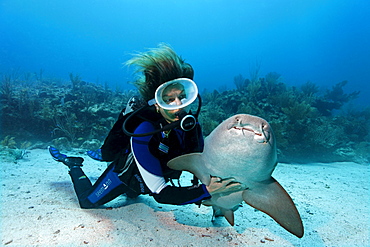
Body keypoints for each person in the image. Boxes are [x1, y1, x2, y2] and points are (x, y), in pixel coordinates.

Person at [49, 44, 240, 209]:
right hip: (127, 176)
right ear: (156, 103)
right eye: (168, 99)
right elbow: (161, 193)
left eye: (182, 97)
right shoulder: (144, 131)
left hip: (154, 178)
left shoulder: (191, 126)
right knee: (88, 202)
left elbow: (200, 163)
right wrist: (206, 191)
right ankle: (74, 165)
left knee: (134, 196)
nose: (178, 105)